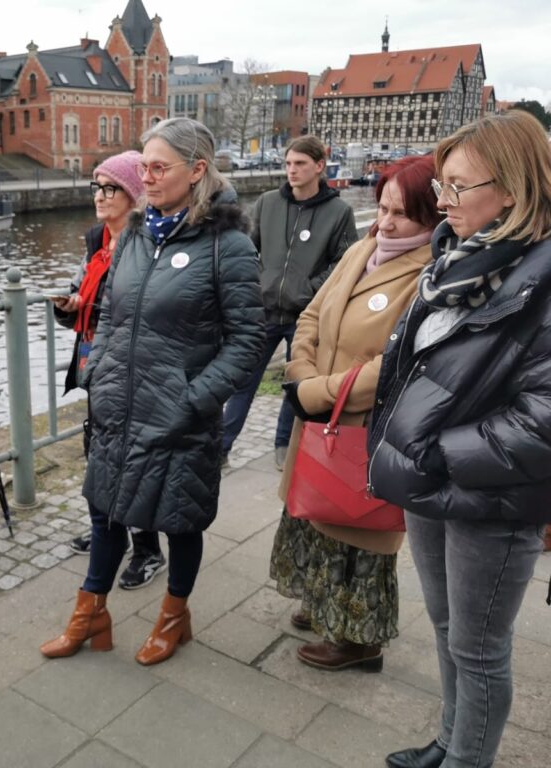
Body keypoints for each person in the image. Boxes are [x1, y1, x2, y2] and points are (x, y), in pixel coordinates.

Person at [40, 117, 265, 665]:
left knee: (179, 519)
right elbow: (112, 313)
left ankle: (173, 617)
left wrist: (194, 399)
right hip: (118, 405)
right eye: (143, 167)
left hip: (178, 415)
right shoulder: (136, 236)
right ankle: (90, 613)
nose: (146, 177)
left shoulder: (228, 245)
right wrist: (99, 372)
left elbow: (247, 340)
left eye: (159, 168)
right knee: (105, 510)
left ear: (197, 170)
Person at [368, 111, 551, 768]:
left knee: (479, 648)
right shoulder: (458, 259)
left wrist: (440, 454)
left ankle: (468, 761)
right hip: (430, 480)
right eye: (441, 185)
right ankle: (449, 742)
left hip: (491, 495)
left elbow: (543, 418)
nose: (441, 201)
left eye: (457, 186)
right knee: (448, 628)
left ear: (514, 189)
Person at [271, 155, 441, 672]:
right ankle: (322, 604)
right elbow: (311, 315)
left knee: (357, 534)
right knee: (315, 514)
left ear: (432, 216)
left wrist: (318, 391)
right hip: (321, 415)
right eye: (382, 207)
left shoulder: (429, 274)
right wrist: (302, 372)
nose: (385, 222)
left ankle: (358, 641)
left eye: (401, 214)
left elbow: (397, 365)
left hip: (361, 427)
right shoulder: (363, 249)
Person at [53, 150, 166, 590]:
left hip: (132, 368)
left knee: (130, 457)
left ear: (133, 194)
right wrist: (69, 306)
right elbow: (83, 293)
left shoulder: (147, 244)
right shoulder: (97, 241)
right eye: (96, 187)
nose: (99, 196)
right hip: (94, 361)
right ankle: (106, 529)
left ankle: (148, 550)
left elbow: (147, 311)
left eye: (110, 188)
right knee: (98, 450)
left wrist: (98, 310)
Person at [221, 136, 358, 470]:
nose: (292, 170)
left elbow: (345, 262)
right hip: (264, 311)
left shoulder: (339, 212)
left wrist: (310, 289)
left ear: (319, 166)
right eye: (288, 164)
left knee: (295, 385)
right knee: (243, 382)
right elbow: (246, 249)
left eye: (300, 164)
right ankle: (221, 447)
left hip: (305, 316)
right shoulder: (267, 203)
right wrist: (259, 281)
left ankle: (284, 446)